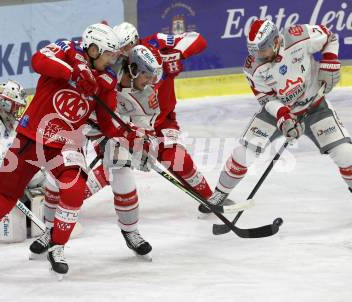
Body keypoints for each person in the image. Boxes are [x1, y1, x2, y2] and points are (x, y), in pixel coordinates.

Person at [0, 23, 144, 278]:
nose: (111, 61)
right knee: (3, 197)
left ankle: (57, 247)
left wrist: (125, 133)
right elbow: (38, 60)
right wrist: (74, 73)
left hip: (66, 144)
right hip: (31, 137)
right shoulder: (66, 52)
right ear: (94, 49)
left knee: (73, 190)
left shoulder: (105, 81)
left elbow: (107, 123)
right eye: (108, 54)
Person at [198, 19, 351, 215]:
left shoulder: (299, 36)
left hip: (315, 106)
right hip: (277, 112)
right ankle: (219, 194)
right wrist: (284, 118)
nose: (257, 56)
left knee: (346, 154)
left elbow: (330, 36)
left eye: (262, 50)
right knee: (243, 152)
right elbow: (267, 99)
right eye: (253, 51)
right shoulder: (253, 66)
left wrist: (330, 62)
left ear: (276, 41)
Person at [29, 44, 163, 260]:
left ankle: (131, 231)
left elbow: (143, 129)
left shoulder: (147, 97)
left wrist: (143, 145)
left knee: (122, 169)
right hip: (77, 120)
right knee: (56, 175)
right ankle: (50, 231)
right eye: (147, 75)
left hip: (113, 128)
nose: (150, 82)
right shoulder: (107, 64)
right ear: (134, 69)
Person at [113, 22, 213, 206]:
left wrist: (176, 55)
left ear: (136, 40)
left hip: (163, 120)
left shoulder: (157, 42)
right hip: (134, 125)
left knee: (178, 159)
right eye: (120, 49)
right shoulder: (118, 66)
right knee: (113, 163)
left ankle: (210, 198)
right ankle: (64, 200)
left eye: (127, 47)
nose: (124, 53)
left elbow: (198, 40)